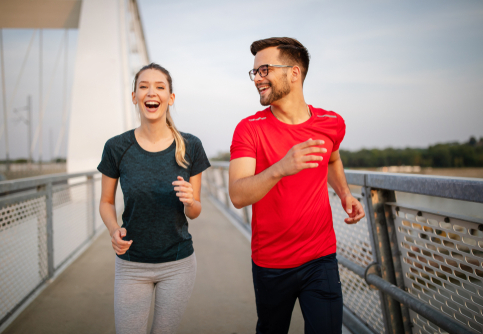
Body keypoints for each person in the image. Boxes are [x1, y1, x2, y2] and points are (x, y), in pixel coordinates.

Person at [228, 37, 365, 334]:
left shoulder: (331, 122)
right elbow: (238, 195)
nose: (257, 79)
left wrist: (345, 194)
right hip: (271, 264)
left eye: (264, 70)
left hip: (321, 258)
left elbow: (332, 159)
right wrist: (281, 168)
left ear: (294, 73)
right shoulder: (249, 129)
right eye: (255, 72)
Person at [98, 63, 210, 334]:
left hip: (178, 264)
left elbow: (195, 211)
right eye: (144, 86)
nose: (152, 92)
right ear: (134, 96)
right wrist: (114, 230)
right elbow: (106, 202)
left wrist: (189, 201)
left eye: (160, 87)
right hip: (132, 264)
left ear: (170, 98)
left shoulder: (191, 146)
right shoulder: (116, 147)